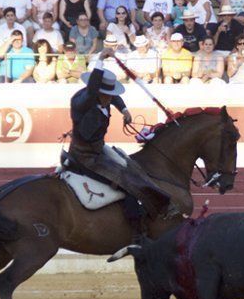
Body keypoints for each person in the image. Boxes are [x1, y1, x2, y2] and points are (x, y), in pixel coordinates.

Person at [68, 47, 173, 221]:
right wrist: (100, 58)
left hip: (98, 150)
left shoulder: (103, 98)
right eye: (107, 94)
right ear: (99, 93)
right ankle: (134, 222)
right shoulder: (83, 102)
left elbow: (112, 96)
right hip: (85, 156)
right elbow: (93, 89)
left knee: (130, 165)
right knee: (124, 179)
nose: (111, 97)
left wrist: (124, 110)